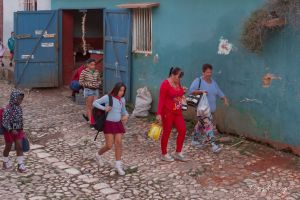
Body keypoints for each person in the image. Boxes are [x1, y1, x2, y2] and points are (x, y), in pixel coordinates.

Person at [188, 63, 229, 152]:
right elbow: (191, 91)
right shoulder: (198, 80)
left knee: (200, 124)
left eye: (210, 72)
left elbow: (218, 91)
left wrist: (224, 98)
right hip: (203, 110)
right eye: (207, 72)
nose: (209, 74)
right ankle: (213, 145)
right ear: (203, 72)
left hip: (211, 110)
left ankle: (194, 141)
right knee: (208, 126)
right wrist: (201, 91)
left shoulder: (213, 82)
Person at [93, 82, 129, 176]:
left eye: (123, 91)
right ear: (116, 89)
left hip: (118, 124)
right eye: (120, 90)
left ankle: (118, 165)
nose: (122, 92)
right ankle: (98, 154)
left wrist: (126, 116)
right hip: (108, 124)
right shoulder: (107, 97)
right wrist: (104, 108)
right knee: (109, 145)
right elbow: (95, 103)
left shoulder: (122, 100)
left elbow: (124, 111)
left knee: (118, 143)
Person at [156, 67, 188, 162]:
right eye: (178, 76)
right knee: (167, 132)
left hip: (177, 111)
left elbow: (179, 94)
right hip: (167, 112)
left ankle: (178, 152)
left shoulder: (178, 83)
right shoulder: (165, 84)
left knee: (182, 130)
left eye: (181, 77)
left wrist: (182, 92)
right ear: (173, 75)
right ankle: (164, 153)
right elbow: (161, 99)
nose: (179, 79)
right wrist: (159, 114)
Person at [2, 90, 26, 172]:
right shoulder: (8, 109)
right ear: (14, 98)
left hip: (18, 131)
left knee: (19, 146)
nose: (20, 101)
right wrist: (11, 130)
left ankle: (20, 165)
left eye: (21, 99)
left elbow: (20, 120)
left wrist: (22, 130)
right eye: (18, 99)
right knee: (8, 146)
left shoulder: (19, 108)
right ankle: (5, 161)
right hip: (9, 131)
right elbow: (4, 122)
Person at [79, 58, 101, 126]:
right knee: (89, 107)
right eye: (91, 65)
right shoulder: (84, 72)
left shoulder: (96, 71)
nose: (93, 66)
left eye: (94, 65)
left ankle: (87, 115)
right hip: (89, 90)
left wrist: (98, 84)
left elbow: (99, 80)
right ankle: (91, 122)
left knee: (95, 105)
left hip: (96, 90)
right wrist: (89, 85)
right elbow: (81, 82)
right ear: (87, 65)